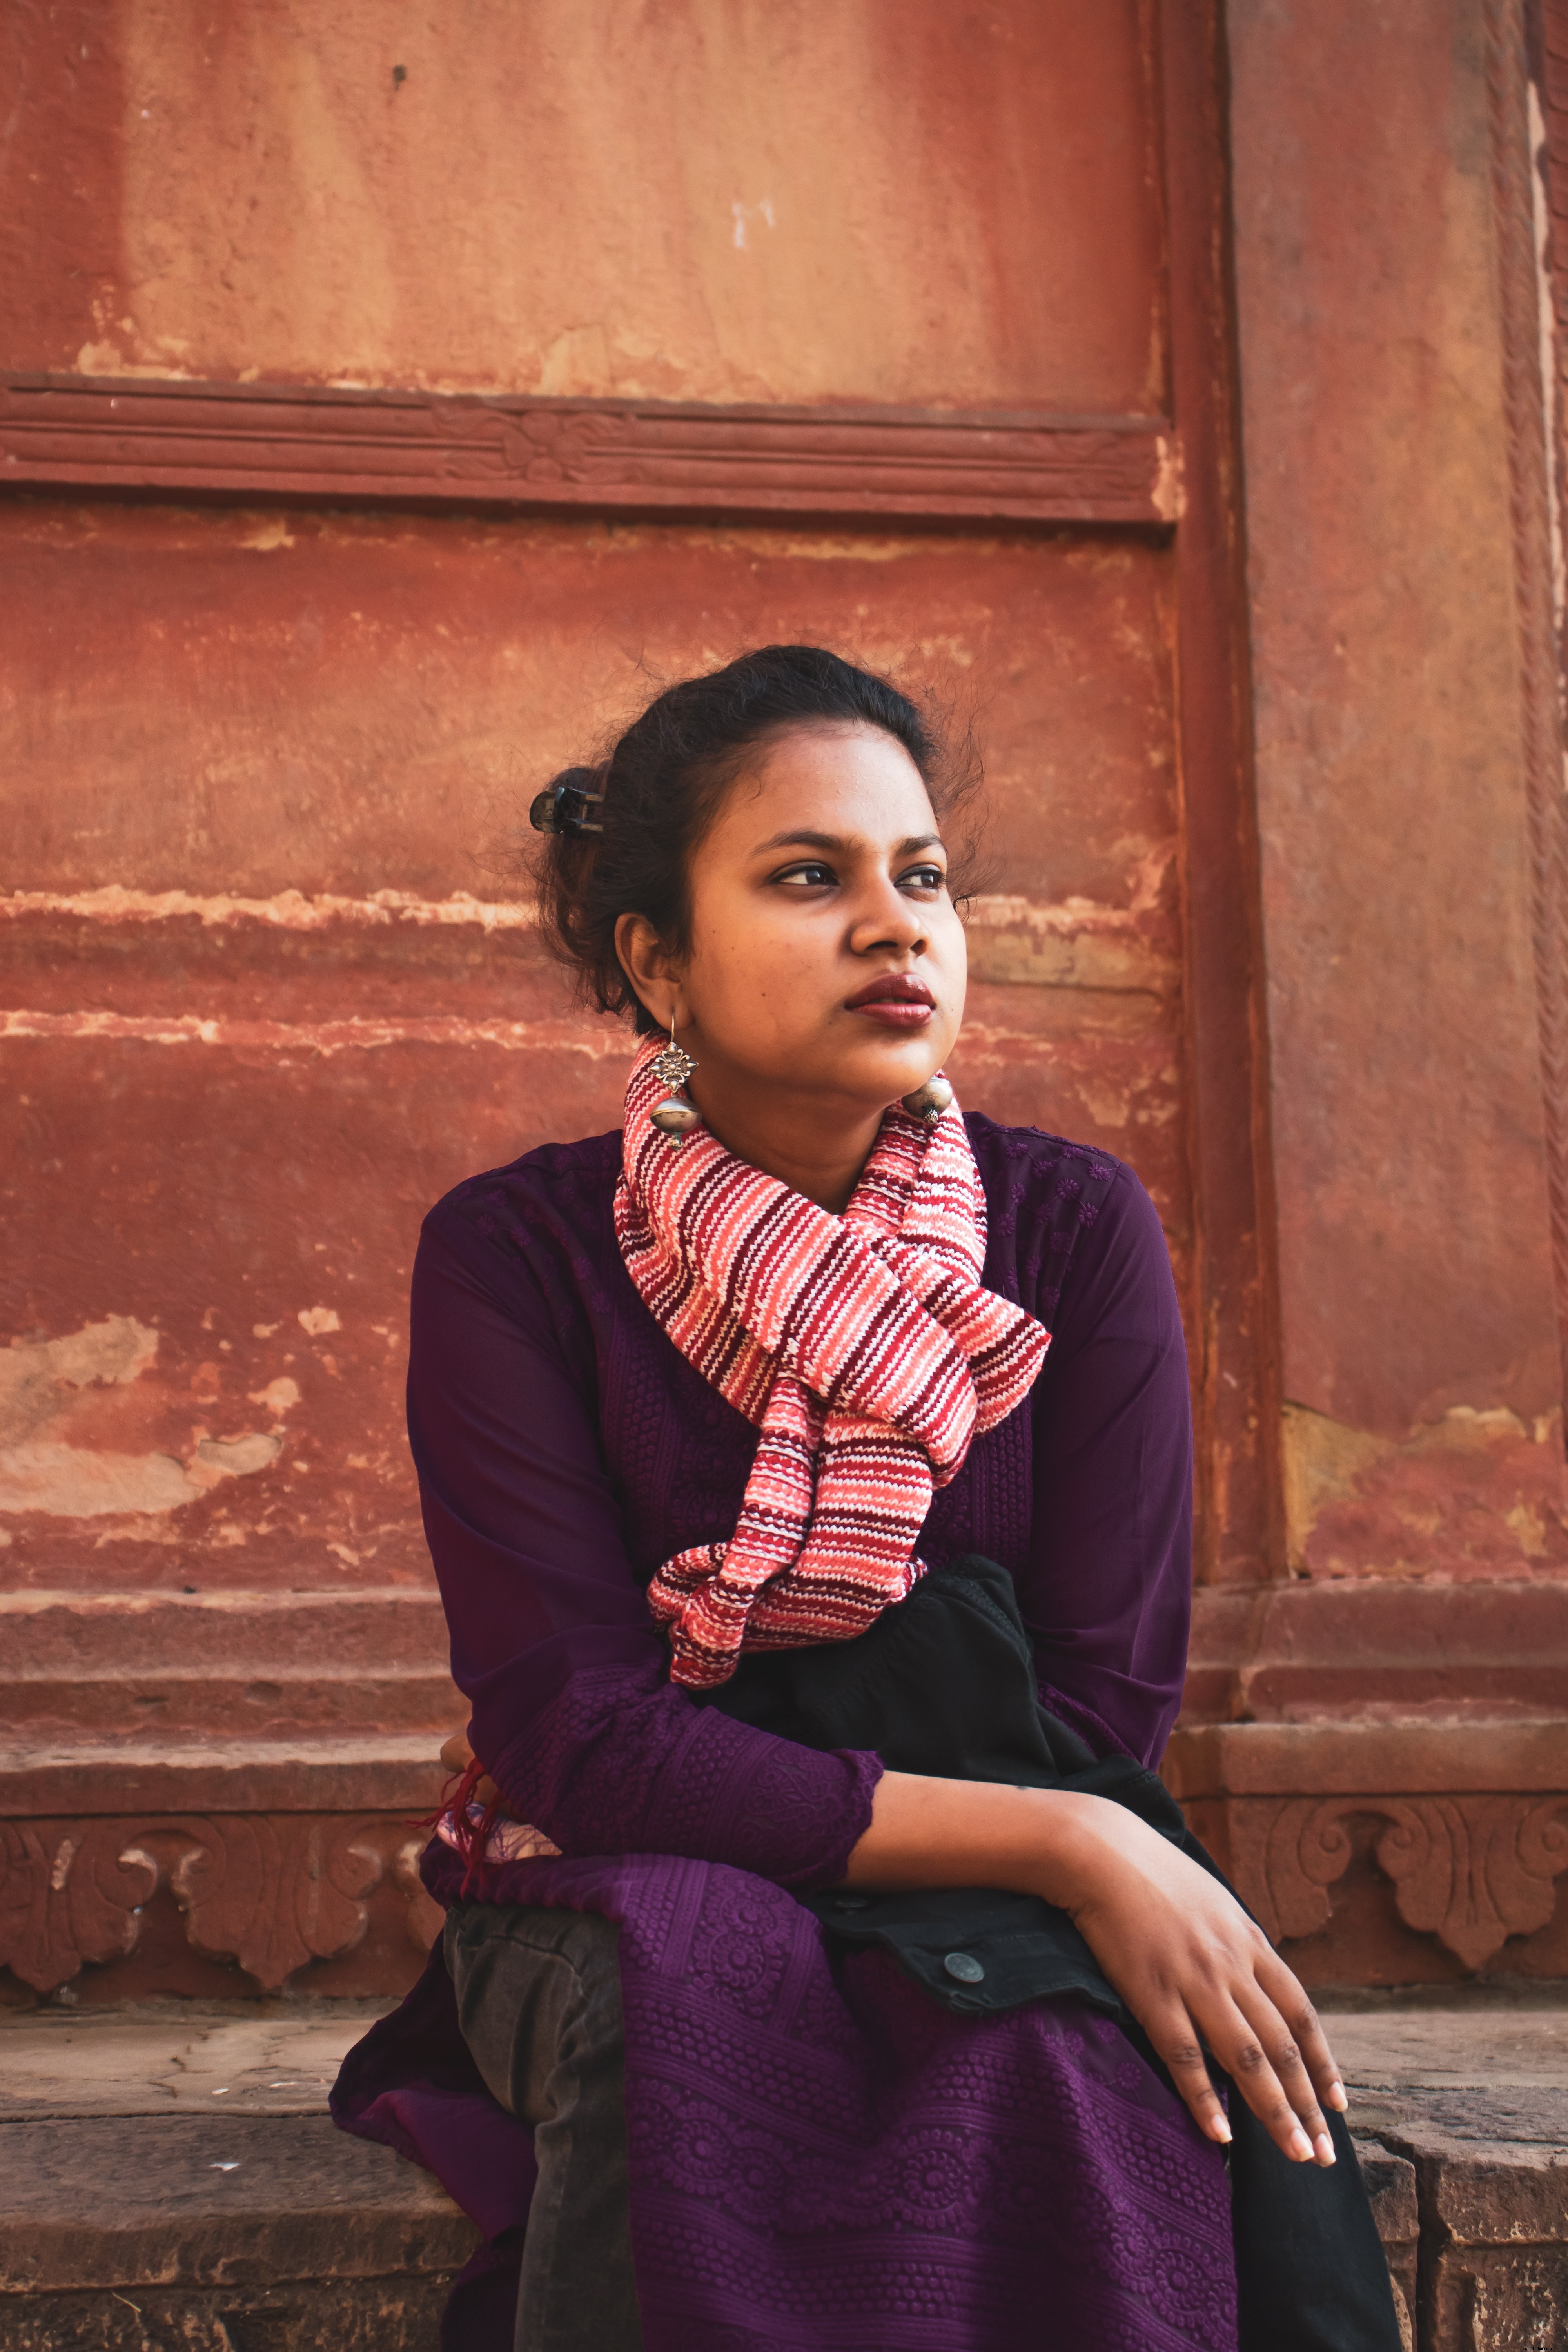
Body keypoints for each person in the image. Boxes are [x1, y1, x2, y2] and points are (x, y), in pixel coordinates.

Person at [332, 646, 1401, 2352]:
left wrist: (1075, 1833)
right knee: (689, 1979)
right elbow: (583, 1747)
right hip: (631, 1870)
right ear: (655, 965)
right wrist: (1070, 1841)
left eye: (923, 879)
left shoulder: (1068, 1233)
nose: (896, 926)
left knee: (1052, 2056)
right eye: (808, 878)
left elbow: (1095, 1700)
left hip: (989, 1865)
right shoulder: (518, 1254)